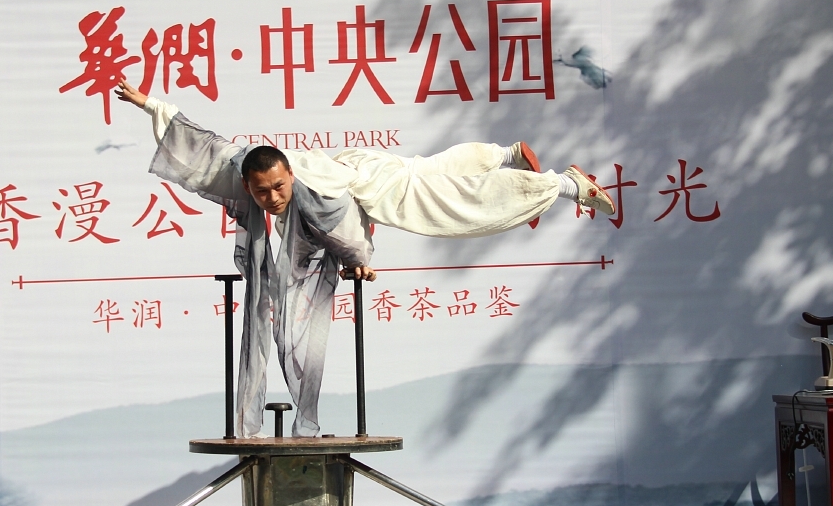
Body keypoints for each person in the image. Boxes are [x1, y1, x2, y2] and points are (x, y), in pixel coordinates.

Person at [115, 81, 614, 438]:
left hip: (367, 186)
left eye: (278, 188)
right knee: (427, 172)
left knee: (451, 209)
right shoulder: (240, 165)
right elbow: (203, 141)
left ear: (290, 175)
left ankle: (564, 185)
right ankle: (504, 156)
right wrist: (151, 105)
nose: (271, 198)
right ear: (247, 183)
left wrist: (359, 260)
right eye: (261, 192)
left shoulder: (314, 195)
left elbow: (346, 231)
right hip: (357, 165)